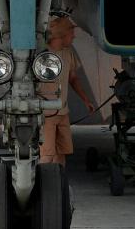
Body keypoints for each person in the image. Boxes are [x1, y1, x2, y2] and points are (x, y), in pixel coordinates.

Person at [37, 16, 95, 165]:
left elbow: (73, 79)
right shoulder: (41, 53)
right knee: (46, 154)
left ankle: (59, 182)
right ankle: (44, 185)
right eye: (71, 33)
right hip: (45, 114)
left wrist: (86, 100)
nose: (74, 36)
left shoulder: (68, 52)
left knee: (61, 153)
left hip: (63, 112)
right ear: (61, 35)